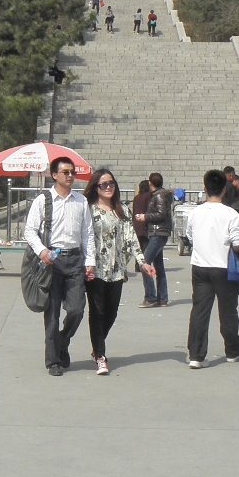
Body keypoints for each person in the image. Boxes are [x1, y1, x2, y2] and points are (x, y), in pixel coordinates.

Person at [25, 157, 94, 376]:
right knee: (52, 313)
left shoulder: (81, 201)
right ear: (54, 175)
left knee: (76, 309)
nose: (70, 175)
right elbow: (29, 230)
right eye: (65, 172)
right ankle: (53, 359)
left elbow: (87, 234)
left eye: (72, 172)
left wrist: (89, 261)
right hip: (51, 261)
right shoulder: (43, 200)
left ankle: (62, 340)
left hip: (74, 260)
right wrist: (42, 251)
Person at [83, 168, 151, 375]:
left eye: (111, 183)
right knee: (98, 311)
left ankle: (97, 346)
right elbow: (83, 239)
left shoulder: (122, 209)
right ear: (96, 187)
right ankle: (101, 356)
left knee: (111, 312)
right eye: (103, 184)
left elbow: (131, 238)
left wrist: (143, 262)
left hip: (117, 270)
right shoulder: (89, 209)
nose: (108, 187)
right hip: (95, 270)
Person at [185, 169, 239, 367]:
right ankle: (232, 350)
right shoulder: (231, 214)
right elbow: (237, 244)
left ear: (205, 188)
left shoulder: (195, 212)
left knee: (200, 311)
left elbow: (190, 237)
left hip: (200, 266)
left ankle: (196, 355)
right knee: (228, 310)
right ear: (224, 190)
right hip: (224, 267)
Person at [138, 172, 173, 306]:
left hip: (158, 232)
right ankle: (162, 297)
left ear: (150, 183)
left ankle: (151, 296)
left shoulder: (159, 196)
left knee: (145, 264)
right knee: (159, 266)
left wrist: (145, 217)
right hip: (158, 232)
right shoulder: (161, 195)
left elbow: (160, 214)